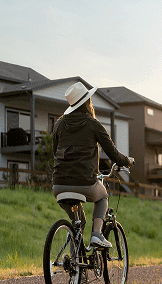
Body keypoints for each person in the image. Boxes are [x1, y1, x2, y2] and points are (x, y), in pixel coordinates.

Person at [51, 82, 134, 249]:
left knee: (78, 224)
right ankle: (96, 234)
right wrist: (127, 161)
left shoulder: (59, 124)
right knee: (102, 197)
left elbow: (54, 152)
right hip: (84, 182)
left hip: (58, 185)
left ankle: (75, 261)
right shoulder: (93, 124)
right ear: (87, 102)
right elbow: (114, 154)